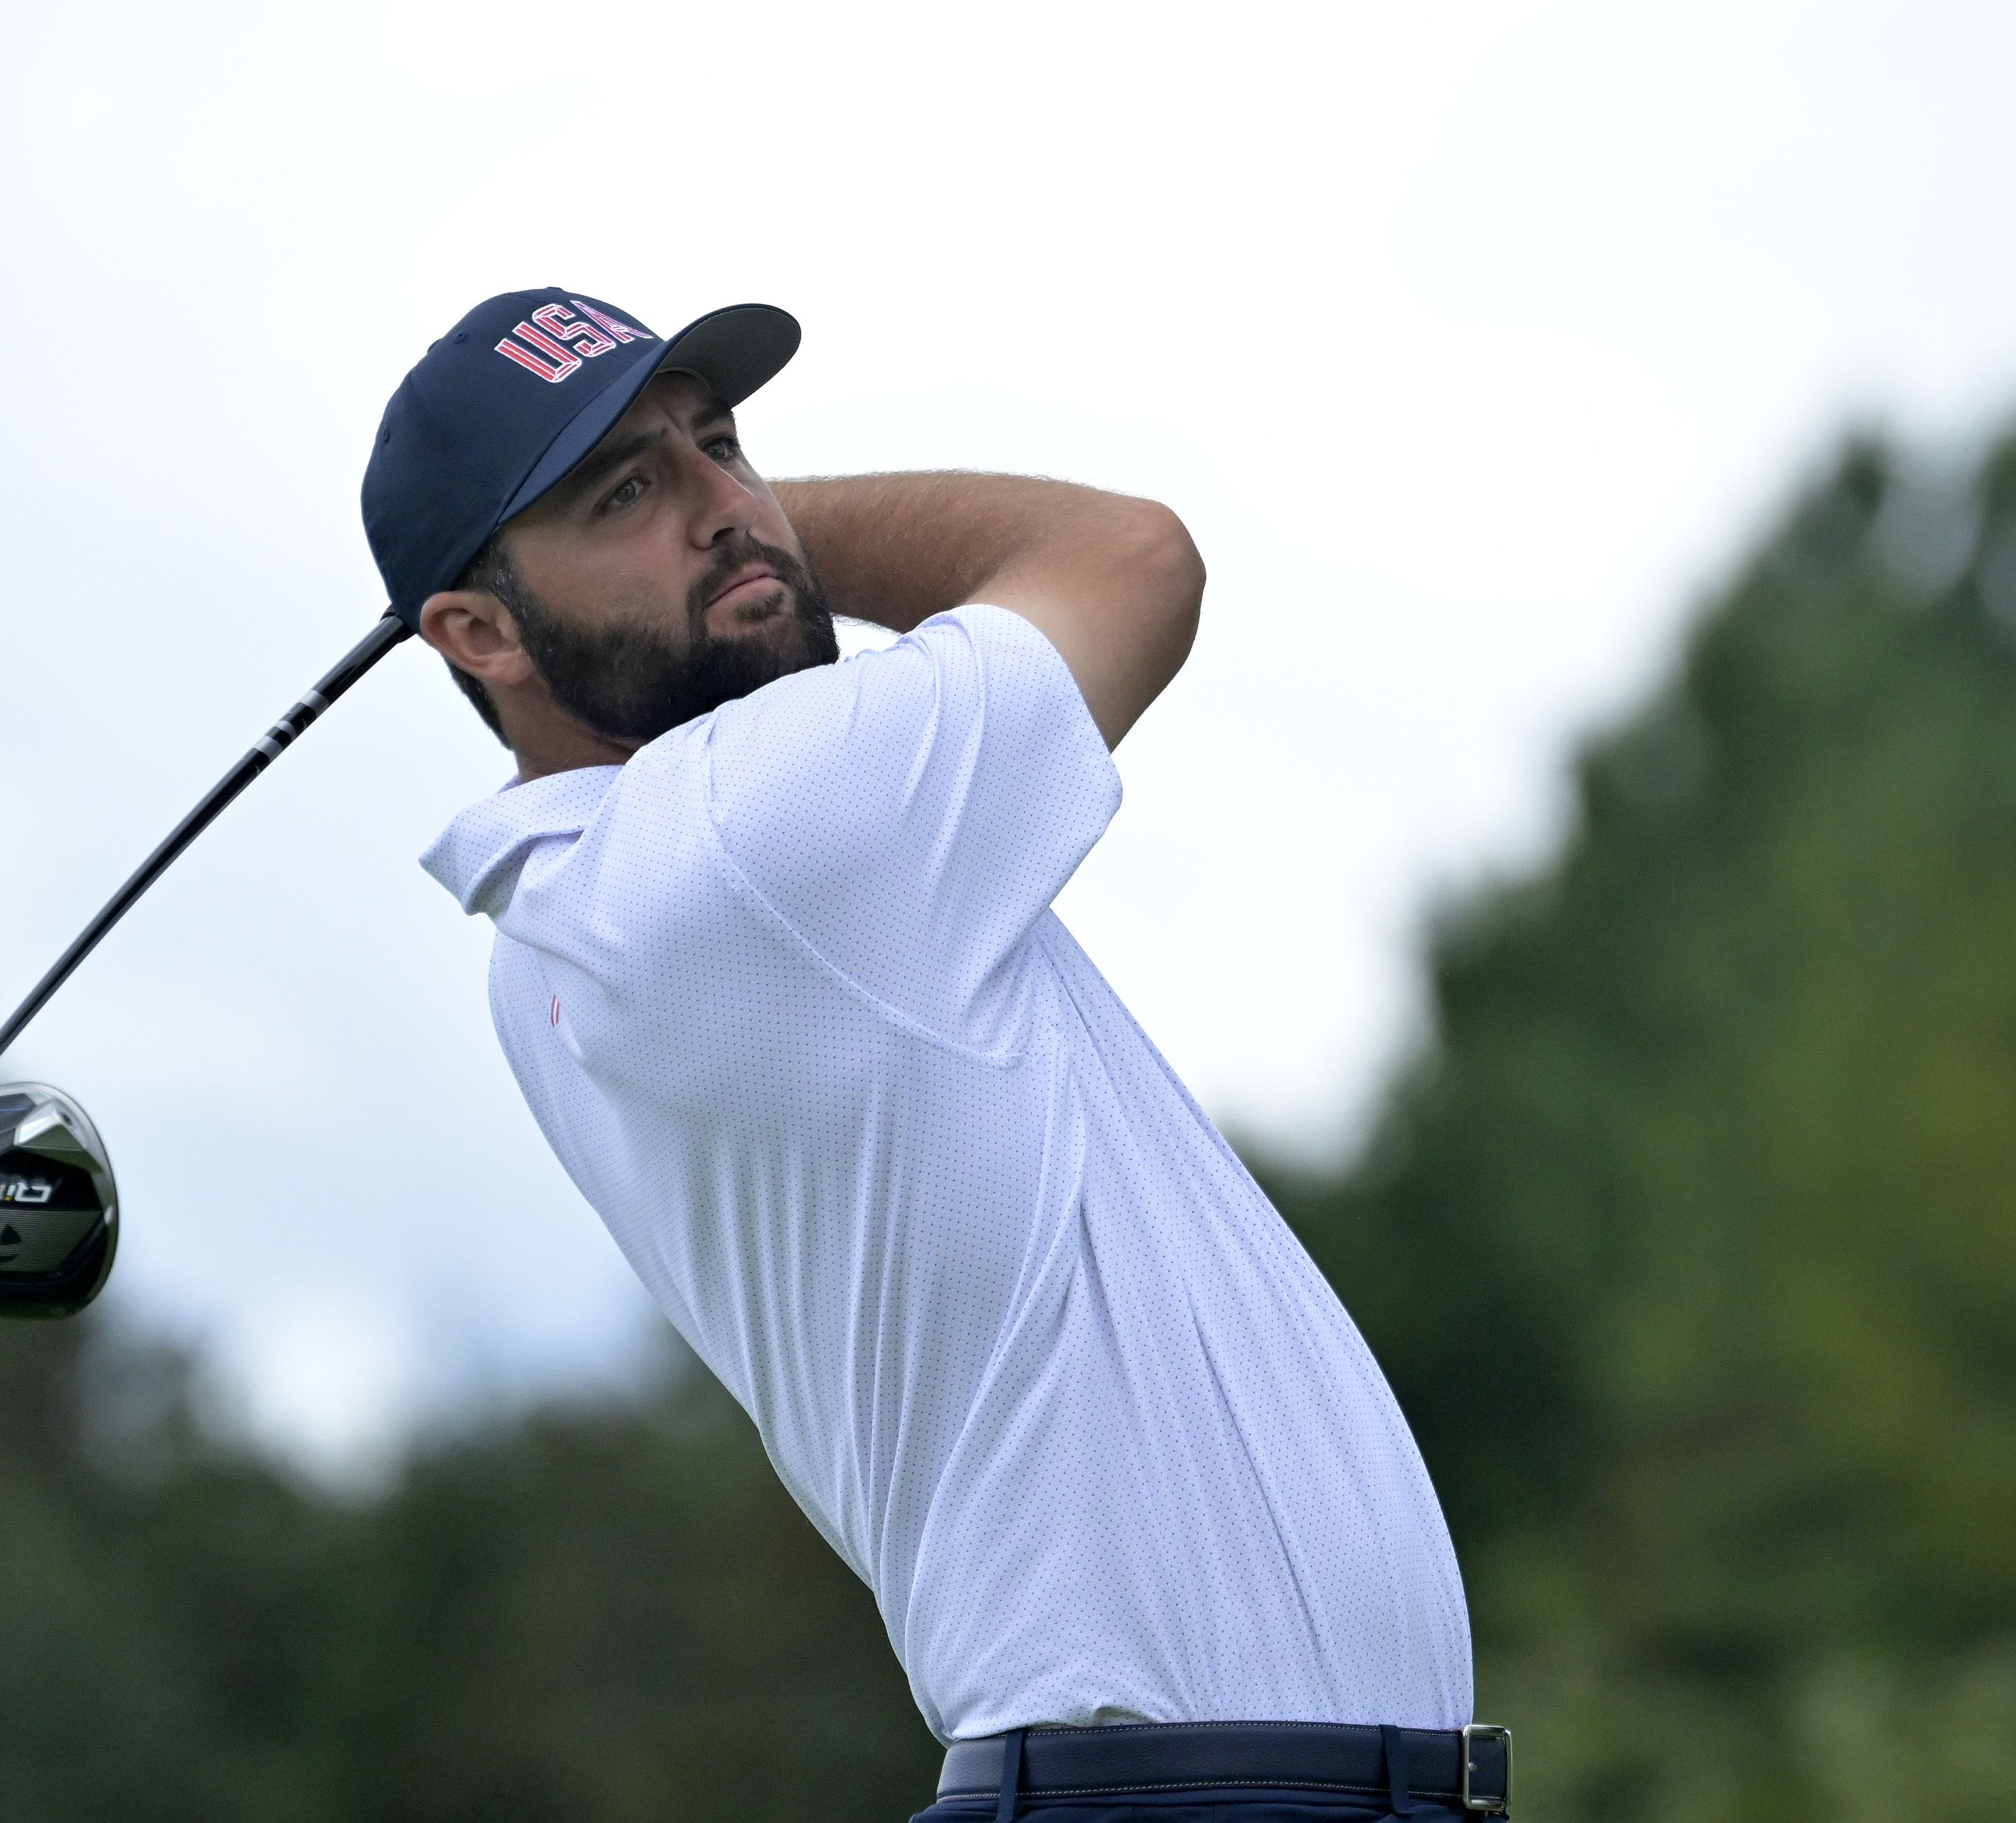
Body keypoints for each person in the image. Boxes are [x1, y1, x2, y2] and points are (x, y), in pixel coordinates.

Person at [363, 289, 1508, 1822]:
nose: (721, 506)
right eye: (624, 492)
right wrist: (773, 530)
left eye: (722, 445)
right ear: (477, 631)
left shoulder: (573, 924)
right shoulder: (742, 840)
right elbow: (1133, 558)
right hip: (1188, 1796)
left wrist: (709, 527)